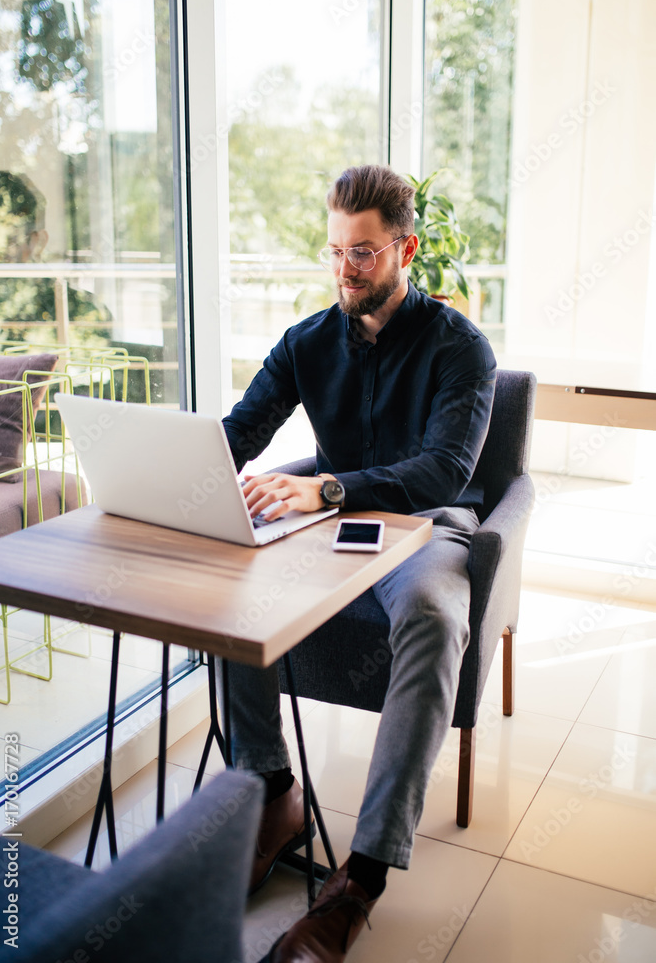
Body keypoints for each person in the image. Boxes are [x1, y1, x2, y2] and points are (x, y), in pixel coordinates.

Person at [221, 165, 497, 963]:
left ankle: (359, 880)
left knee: (433, 614)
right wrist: (187, 479)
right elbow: (240, 432)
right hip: (331, 524)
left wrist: (328, 486)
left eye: (365, 253)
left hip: (423, 527)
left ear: (405, 248)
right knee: (234, 578)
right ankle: (274, 793)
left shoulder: (459, 349)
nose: (345, 268)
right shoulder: (305, 342)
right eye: (336, 250)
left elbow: (445, 469)